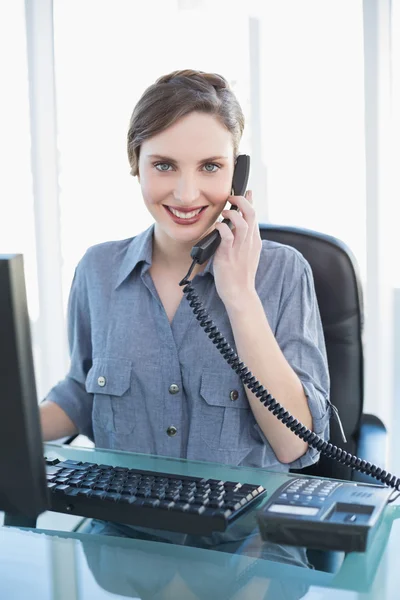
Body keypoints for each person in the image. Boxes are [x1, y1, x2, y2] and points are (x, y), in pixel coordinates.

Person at [39, 69, 331, 548]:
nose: (186, 194)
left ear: (238, 173)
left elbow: (291, 442)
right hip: (121, 539)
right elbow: (78, 393)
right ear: (136, 163)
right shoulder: (97, 270)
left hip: (248, 551)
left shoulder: (283, 273)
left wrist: (239, 295)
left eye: (211, 167)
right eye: (165, 165)